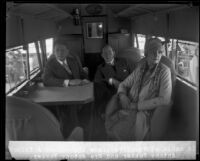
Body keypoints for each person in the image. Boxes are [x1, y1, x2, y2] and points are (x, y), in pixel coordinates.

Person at [105, 38, 172, 141]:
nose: (156, 55)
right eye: (153, 51)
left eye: (160, 52)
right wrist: (122, 96)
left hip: (143, 113)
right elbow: (123, 84)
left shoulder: (164, 72)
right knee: (111, 127)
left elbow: (164, 99)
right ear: (146, 53)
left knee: (123, 136)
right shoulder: (140, 68)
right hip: (128, 107)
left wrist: (137, 106)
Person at [42, 40, 90, 138]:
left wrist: (85, 78)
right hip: (64, 97)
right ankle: (72, 134)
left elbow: (81, 73)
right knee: (70, 110)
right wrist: (68, 82)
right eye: (57, 50)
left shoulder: (73, 60)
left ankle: (85, 129)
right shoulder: (50, 63)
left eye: (63, 50)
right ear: (54, 52)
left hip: (80, 92)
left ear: (68, 51)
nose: (60, 53)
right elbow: (46, 80)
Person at [94, 45, 132, 116]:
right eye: (104, 53)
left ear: (114, 53)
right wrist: (111, 80)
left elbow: (132, 75)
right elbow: (97, 81)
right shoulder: (100, 68)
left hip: (130, 90)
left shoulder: (124, 61)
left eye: (109, 52)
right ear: (102, 55)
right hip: (114, 94)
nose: (107, 54)